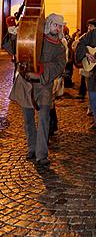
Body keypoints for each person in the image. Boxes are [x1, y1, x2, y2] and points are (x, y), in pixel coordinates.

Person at [9, 13, 66, 166]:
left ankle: (42, 154)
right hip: (26, 82)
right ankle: (31, 148)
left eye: (60, 25)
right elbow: (13, 48)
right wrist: (12, 33)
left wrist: (42, 69)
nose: (58, 28)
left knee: (44, 119)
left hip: (44, 84)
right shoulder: (34, 37)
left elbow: (60, 66)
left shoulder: (60, 47)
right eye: (55, 24)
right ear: (49, 24)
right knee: (28, 118)